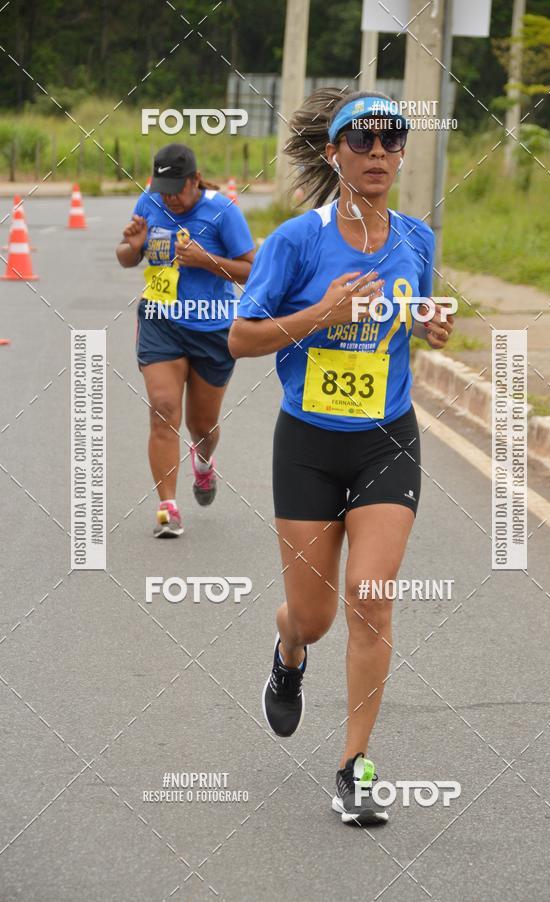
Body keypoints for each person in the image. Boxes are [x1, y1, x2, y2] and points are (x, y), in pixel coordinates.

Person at [228, 89, 454, 824]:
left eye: (393, 141)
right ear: (335, 154)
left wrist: (430, 324)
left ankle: (354, 765)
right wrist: (320, 315)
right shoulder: (296, 241)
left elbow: (411, 312)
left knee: (372, 598)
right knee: (316, 615)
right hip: (309, 444)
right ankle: (289, 652)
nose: (381, 153)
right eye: (365, 142)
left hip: (387, 436)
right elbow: (242, 338)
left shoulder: (416, 237)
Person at [116, 143, 255, 537]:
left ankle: (205, 463)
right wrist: (135, 245)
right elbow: (125, 256)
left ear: (196, 179)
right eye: (164, 189)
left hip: (213, 329)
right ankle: (167, 508)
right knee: (162, 408)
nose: (170, 197)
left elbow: (251, 270)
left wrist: (205, 260)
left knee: (202, 425)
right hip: (161, 321)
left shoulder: (223, 212)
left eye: (178, 188)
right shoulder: (150, 202)